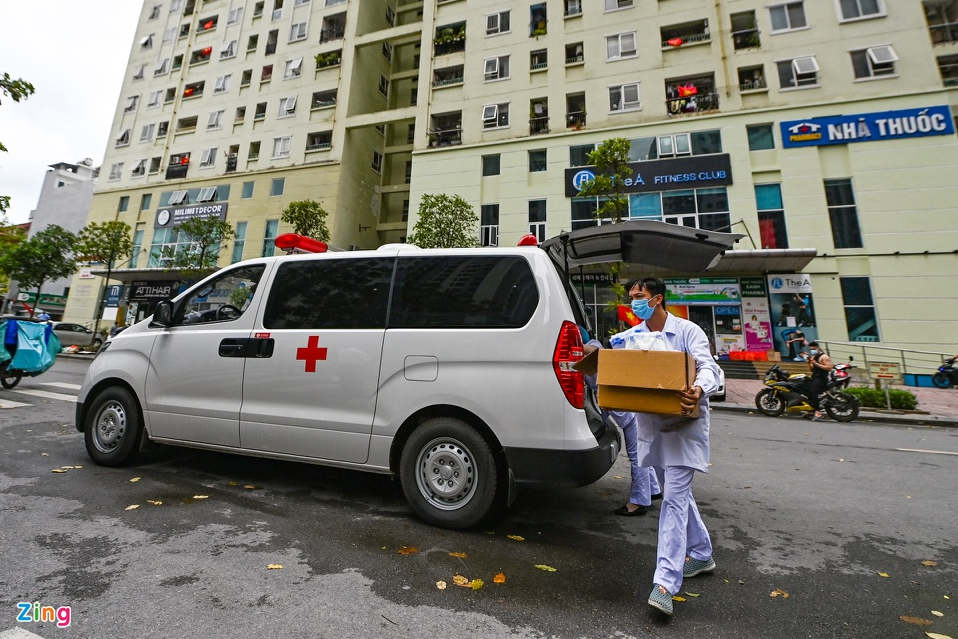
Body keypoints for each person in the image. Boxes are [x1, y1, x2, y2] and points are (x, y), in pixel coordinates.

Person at [624, 277, 720, 617]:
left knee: (674, 501)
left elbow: (710, 367)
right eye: (632, 296)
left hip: (684, 427)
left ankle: (665, 582)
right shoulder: (633, 337)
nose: (634, 301)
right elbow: (623, 375)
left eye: (640, 295)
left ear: (657, 299)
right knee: (675, 492)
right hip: (653, 426)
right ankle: (702, 553)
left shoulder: (687, 331)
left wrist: (698, 388)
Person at [804, 341, 833, 421]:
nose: (812, 350)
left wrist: (816, 364)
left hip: (822, 379)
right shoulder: (814, 357)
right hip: (815, 377)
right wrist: (809, 363)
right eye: (811, 349)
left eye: (813, 349)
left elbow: (829, 367)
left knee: (813, 391)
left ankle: (818, 412)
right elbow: (812, 370)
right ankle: (811, 409)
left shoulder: (824, 357)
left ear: (817, 347)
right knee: (806, 389)